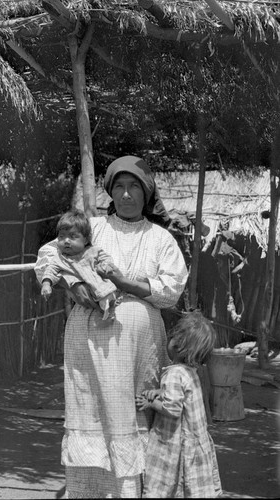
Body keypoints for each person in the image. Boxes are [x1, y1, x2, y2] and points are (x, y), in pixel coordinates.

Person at [34, 155, 188, 498]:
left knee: (134, 410)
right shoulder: (94, 229)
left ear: (146, 194)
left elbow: (171, 292)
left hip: (137, 349)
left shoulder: (160, 239)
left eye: (134, 186)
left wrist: (123, 281)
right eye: (119, 186)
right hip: (88, 342)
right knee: (91, 409)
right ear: (111, 191)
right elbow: (49, 255)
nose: (127, 194)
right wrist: (73, 286)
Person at [135, 310, 222, 498]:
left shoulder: (174, 373)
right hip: (196, 439)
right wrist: (160, 392)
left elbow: (172, 409)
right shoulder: (191, 371)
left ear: (177, 345)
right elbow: (183, 396)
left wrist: (150, 402)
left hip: (174, 440)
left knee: (166, 484)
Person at [39, 210, 119, 320]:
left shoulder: (92, 251)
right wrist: (46, 284)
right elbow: (50, 270)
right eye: (61, 237)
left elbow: (105, 258)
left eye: (73, 237)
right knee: (98, 303)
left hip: (100, 285)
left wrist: (106, 266)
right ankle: (106, 313)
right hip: (83, 296)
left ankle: (110, 307)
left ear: (86, 240)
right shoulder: (60, 258)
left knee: (108, 294)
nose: (66, 241)